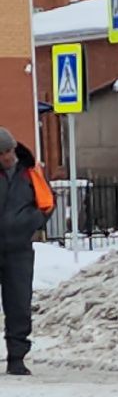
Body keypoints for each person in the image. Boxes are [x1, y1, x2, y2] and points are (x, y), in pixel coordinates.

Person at [0, 128, 54, 376]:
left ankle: (17, 358)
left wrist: (32, 222)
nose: (8, 156)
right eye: (2, 153)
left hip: (19, 251)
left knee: (19, 305)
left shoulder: (29, 172)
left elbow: (46, 203)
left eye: (9, 151)